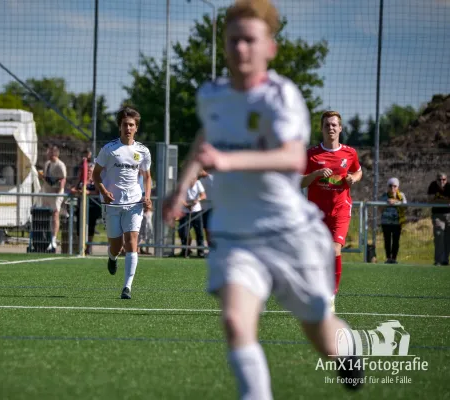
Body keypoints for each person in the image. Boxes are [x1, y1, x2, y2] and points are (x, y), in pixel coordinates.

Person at [162, 1, 363, 398]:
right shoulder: (213, 95)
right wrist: (181, 187)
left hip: (288, 234)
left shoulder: (281, 97)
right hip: (237, 235)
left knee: (321, 334)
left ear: (269, 47)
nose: (240, 49)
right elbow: (206, 140)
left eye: (250, 40)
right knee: (236, 323)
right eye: (233, 40)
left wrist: (229, 160)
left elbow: (291, 156)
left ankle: (348, 349)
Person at [301, 110, 362, 312]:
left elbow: (358, 170)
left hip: (341, 209)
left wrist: (354, 178)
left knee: (335, 249)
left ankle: (331, 295)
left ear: (340, 128)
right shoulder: (311, 154)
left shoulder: (349, 153)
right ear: (322, 128)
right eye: (327, 125)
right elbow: (300, 181)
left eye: (334, 125)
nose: (331, 128)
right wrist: (317, 174)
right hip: (317, 212)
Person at [92, 106, 152, 300]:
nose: (128, 128)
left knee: (132, 242)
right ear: (120, 127)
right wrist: (103, 191)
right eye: (125, 124)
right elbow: (95, 175)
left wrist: (147, 195)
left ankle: (127, 287)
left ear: (136, 128)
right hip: (112, 204)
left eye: (132, 125)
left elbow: (147, 176)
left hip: (134, 202)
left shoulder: (142, 151)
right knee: (116, 246)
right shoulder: (109, 149)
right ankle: (111, 257)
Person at [71, 162, 102, 256]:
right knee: (79, 227)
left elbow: (97, 191)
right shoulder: (81, 180)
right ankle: (80, 247)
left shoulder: (95, 180)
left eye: (90, 171)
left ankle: (88, 248)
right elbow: (72, 189)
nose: (88, 172)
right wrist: (78, 191)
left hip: (92, 207)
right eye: (87, 170)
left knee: (90, 227)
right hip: (81, 207)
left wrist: (88, 192)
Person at [40, 145, 67, 252]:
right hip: (46, 192)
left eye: (49, 152)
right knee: (45, 214)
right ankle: (45, 237)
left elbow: (63, 180)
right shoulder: (47, 164)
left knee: (55, 213)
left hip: (56, 194)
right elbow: (46, 178)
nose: (47, 154)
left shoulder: (60, 165)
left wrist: (58, 189)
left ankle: (53, 239)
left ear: (54, 154)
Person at [380, 177, 407, 264]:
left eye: (395, 186)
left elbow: (405, 206)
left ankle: (394, 258)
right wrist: (387, 202)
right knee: (387, 241)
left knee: (396, 241)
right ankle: (388, 258)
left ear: (398, 187)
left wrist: (395, 201)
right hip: (386, 222)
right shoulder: (384, 196)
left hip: (397, 222)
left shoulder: (401, 196)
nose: (392, 188)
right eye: (390, 186)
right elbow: (380, 208)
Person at [178, 176, 206, 258]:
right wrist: (186, 205)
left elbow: (203, 195)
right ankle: (185, 250)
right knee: (184, 232)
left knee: (199, 232)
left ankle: (200, 252)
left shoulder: (198, 183)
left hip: (197, 211)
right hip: (186, 212)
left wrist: (197, 200)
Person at [428, 172, 450, 266]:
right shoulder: (433, 186)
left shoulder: (449, 186)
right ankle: (438, 260)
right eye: (439, 179)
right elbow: (430, 200)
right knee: (438, 235)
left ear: (446, 180)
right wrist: (444, 200)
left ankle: (445, 259)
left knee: (448, 237)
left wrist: (437, 200)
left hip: (448, 214)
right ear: (436, 180)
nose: (441, 181)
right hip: (437, 214)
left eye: (444, 179)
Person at [199, 169, 214, 248]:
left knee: (210, 229)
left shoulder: (212, 178)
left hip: (212, 207)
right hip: (203, 208)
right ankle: (209, 247)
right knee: (206, 229)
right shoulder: (201, 180)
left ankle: (213, 247)